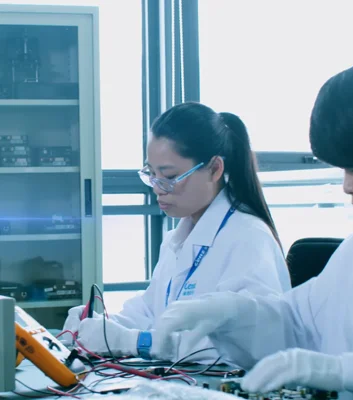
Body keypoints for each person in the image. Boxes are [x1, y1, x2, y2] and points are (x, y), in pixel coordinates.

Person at [152, 64, 353, 399]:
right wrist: (231, 315)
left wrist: (346, 371)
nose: (348, 186)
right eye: (343, 170)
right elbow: (296, 322)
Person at [62, 102, 291, 362]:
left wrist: (137, 342)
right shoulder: (177, 240)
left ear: (215, 169)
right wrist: (99, 325)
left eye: (169, 176)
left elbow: (249, 346)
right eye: (151, 173)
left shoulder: (249, 238)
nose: (157, 188)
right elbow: (150, 311)